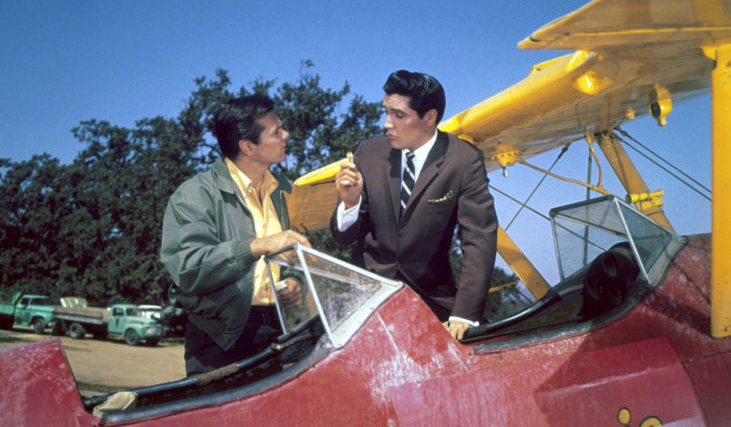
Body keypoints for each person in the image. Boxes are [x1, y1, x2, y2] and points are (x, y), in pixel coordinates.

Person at [331, 70, 498, 340]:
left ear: (429, 117)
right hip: (369, 302)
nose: (386, 124)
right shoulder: (368, 153)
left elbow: (479, 240)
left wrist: (464, 313)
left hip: (433, 300)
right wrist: (349, 203)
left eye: (398, 115)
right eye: (385, 112)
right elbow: (342, 237)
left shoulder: (464, 160)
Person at [161, 94, 309, 375]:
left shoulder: (284, 191)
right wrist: (255, 247)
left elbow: (296, 255)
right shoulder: (194, 195)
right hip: (219, 341)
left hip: (277, 334)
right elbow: (188, 267)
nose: (286, 135)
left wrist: (293, 281)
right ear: (247, 146)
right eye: (276, 131)